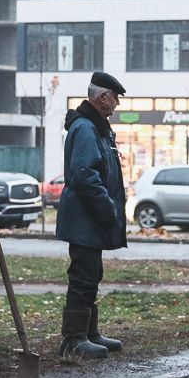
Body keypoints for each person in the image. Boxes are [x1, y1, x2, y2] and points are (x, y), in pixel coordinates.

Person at [55, 71, 128, 360]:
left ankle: (89, 332)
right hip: (85, 218)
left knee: (92, 273)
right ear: (103, 97)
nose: (117, 104)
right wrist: (107, 208)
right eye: (115, 98)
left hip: (88, 219)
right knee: (83, 276)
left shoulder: (96, 127)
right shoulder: (86, 128)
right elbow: (85, 175)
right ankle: (73, 339)